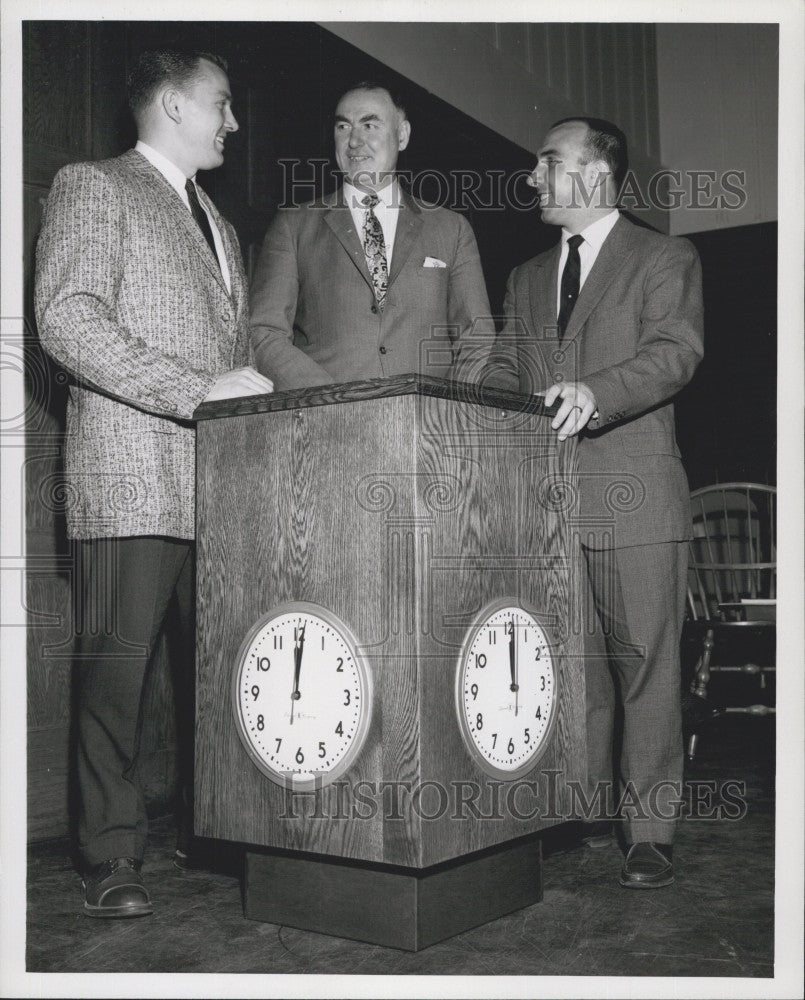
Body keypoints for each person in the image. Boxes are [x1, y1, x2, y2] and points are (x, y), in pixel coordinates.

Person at [34, 48, 273, 918]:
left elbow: (236, 359)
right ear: (174, 104)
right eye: (222, 104)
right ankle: (107, 854)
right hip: (129, 479)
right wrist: (196, 390)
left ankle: (207, 831)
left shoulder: (220, 223)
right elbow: (66, 317)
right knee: (115, 678)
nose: (233, 123)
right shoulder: (92, 186)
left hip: (216, 491)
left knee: (212, 675)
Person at [485, 117, 704, 888]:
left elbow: (674, 352)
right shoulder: (522, 276)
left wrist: (594, 392)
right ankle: (575, 814)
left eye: (548, 162)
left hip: (637, 496)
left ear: (597, 173)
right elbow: (505, 372)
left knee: (645, 666)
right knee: (569, 671)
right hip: (549, 509)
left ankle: (648, 831)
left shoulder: (663, 254)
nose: (533, 178)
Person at [249, 82, 493, 390]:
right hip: (326, 424)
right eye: (343, 126)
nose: (354, 141)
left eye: (370, 124)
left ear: (402, 135)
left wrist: (447, 412)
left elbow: (477, 337)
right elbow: (264, 332)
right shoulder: (294, 225)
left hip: (427, 428)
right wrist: (328, 400)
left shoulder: (452, 228)